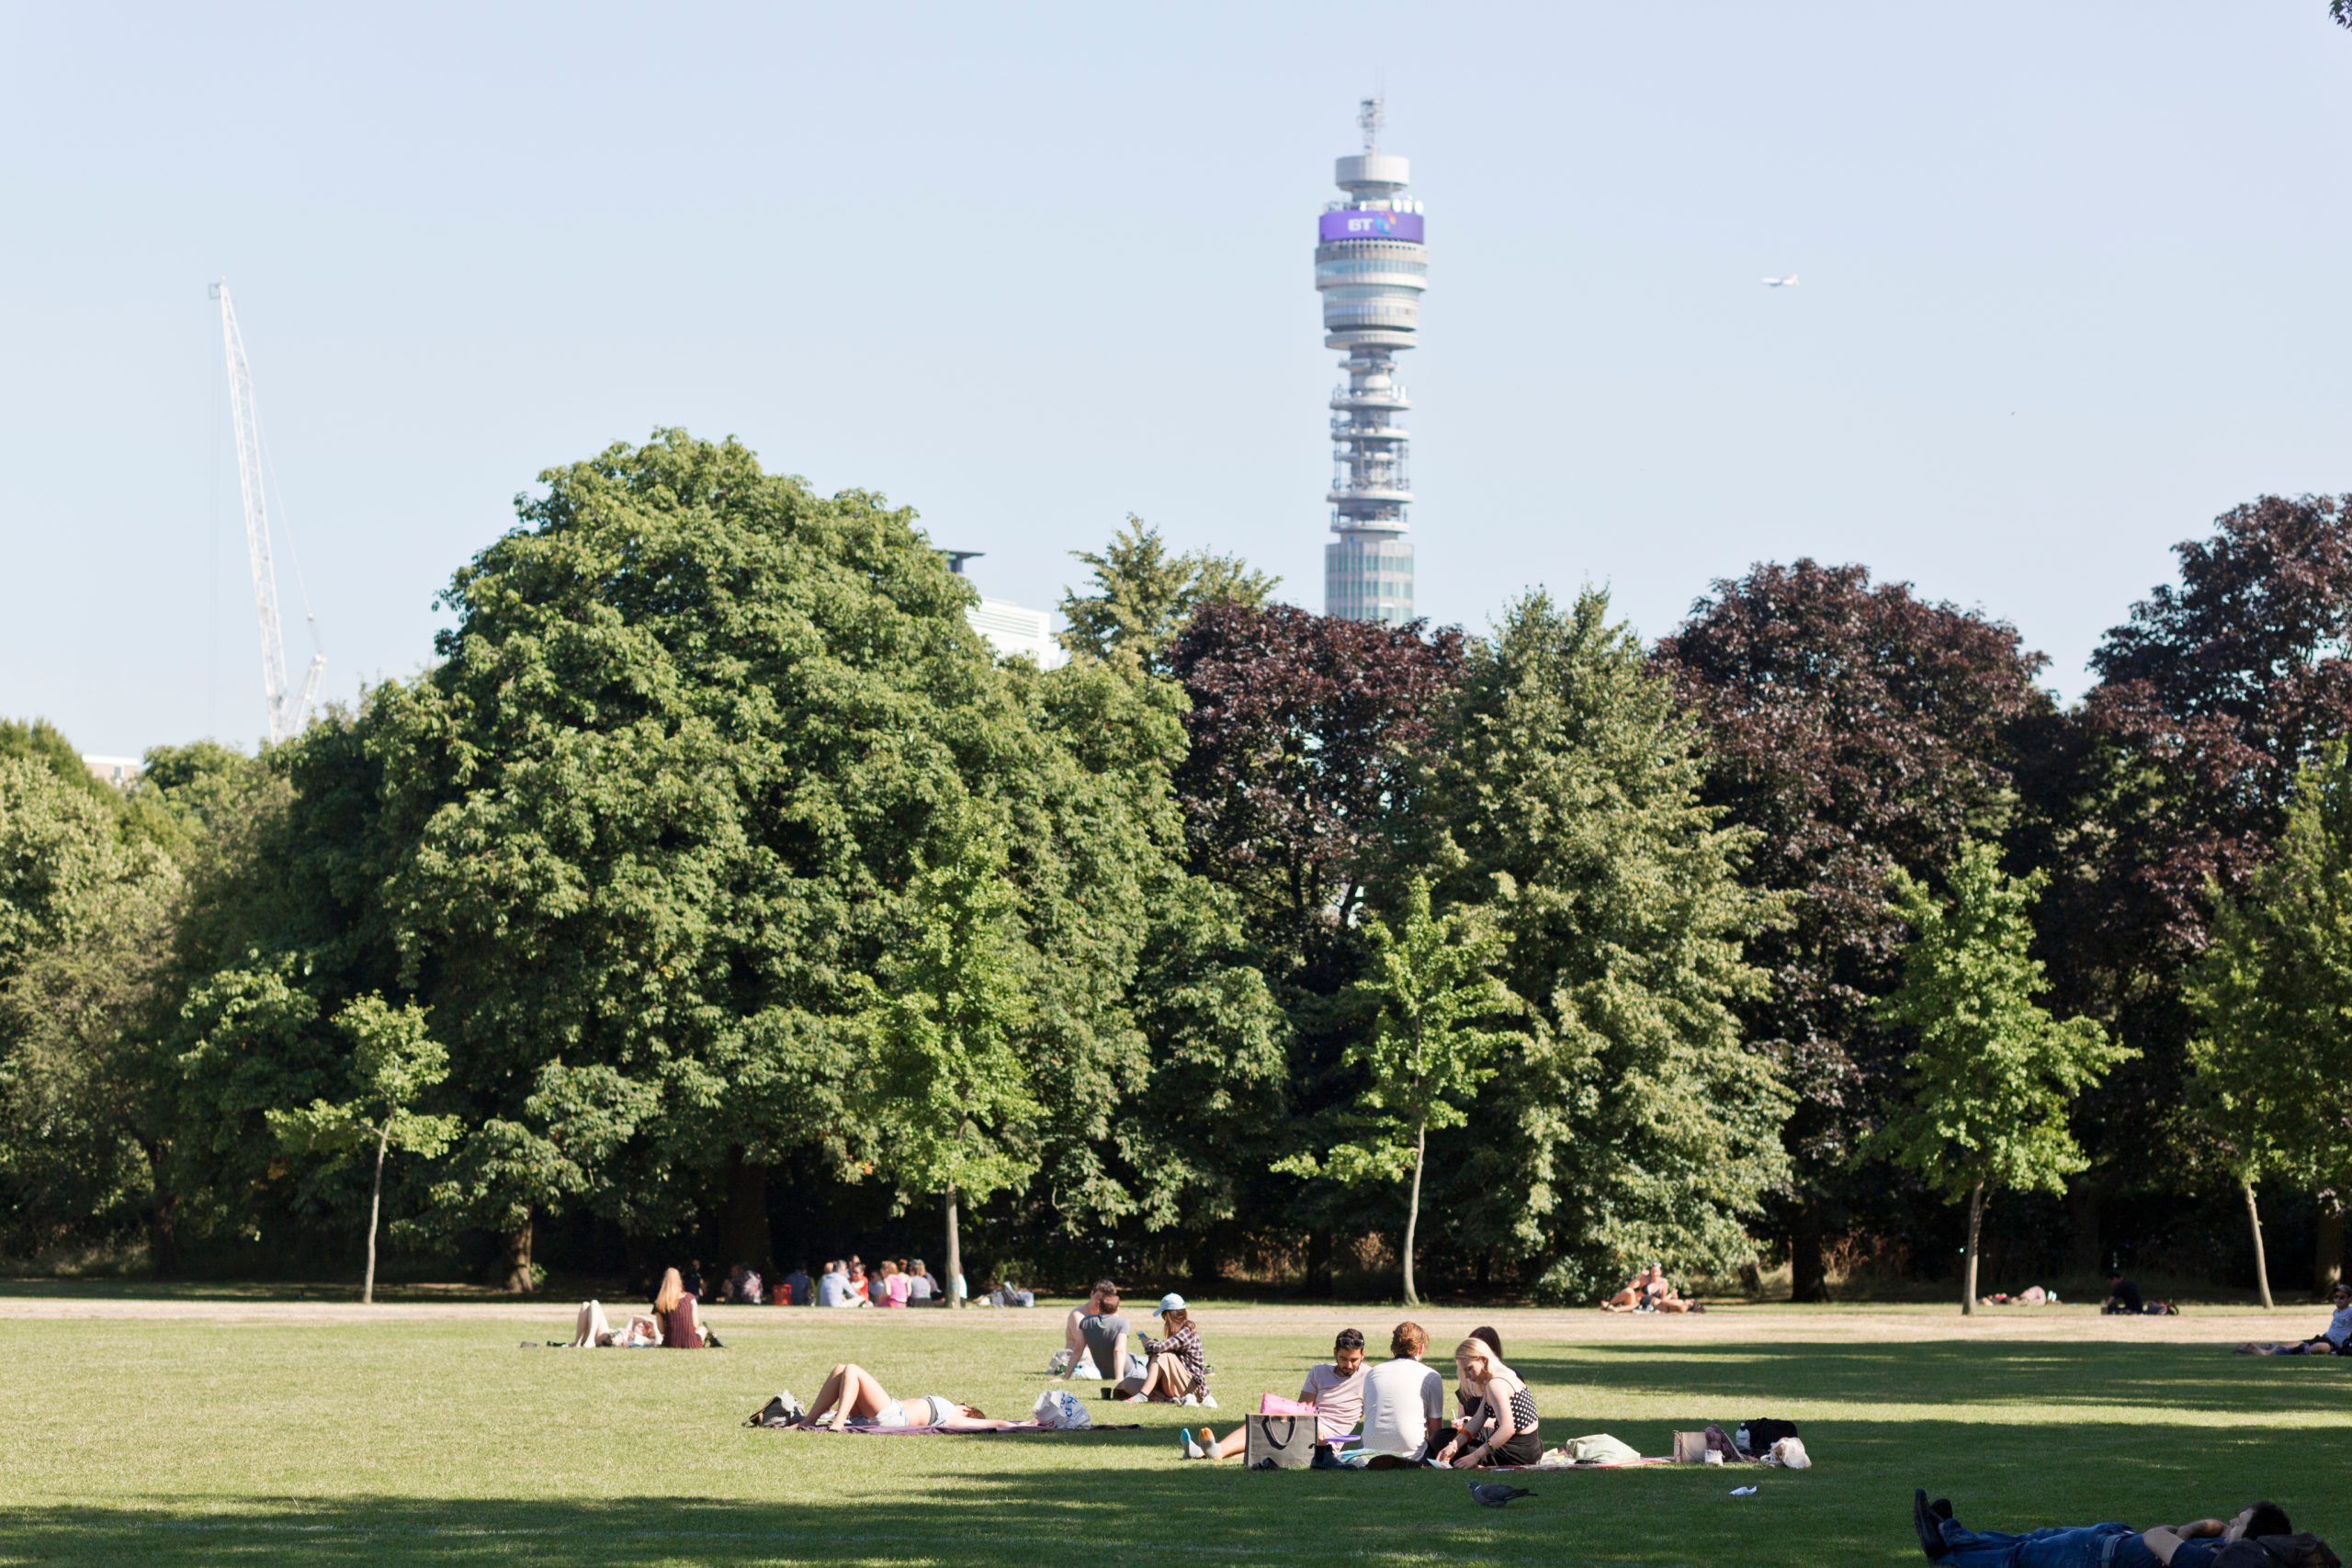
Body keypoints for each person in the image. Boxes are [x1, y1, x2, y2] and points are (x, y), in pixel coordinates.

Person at [1914, 1491, 2294, 1567]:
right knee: (2030, 1539)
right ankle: (1950, 1536)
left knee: (2021, 1556)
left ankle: (1946, 1542)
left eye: (2239, 1523)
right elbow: (2184, 1530)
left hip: (2095, 1558)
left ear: (2251, 1539)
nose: (2230, 1522)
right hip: (2109, 1539)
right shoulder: (2222, 1548)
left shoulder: (2210, 1563)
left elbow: (2157, 1537)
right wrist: (2193, 1530)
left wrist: (2186, 1532)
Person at [1187, 1327, 1366, 1461]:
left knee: (1272, 1442)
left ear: (1363, 1356)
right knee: (1267, 1423)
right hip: (1308, 1427)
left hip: (1326, 1442)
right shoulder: (1319, 1372)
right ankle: (1210, 1452)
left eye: (1353, 1360)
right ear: (1335, 1353)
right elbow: (1302, 1409)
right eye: (1343, 1359)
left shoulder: (1369, 1377)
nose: (1348, 1365)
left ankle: (1211, 1452)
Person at [797, 1363, 1018, 1431]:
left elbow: (995, 1423)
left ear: (968, 1410)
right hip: (882, 1413)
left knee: (852, 1369)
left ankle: (837, 1422)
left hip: (893, 1416)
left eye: (965, 1404)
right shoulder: (950, 1412)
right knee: (841, 1369)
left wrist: (1022, 1425)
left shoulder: (956, 1417)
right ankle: (808, 1421)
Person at [1348, 1320, 1445, 1468]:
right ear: (1421, 1347)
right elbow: (1435, 1430)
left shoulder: (1373, 1373)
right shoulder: (1431, 1376)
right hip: (1413, 1452)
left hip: (1370, 1447)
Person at [1441, 1337, 1540, 1468]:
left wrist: (1475, 1456)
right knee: (1450, 1441)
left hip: (1518, 1453)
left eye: (1469, 1368)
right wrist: (1454, 1445)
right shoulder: (1499, 1377)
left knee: (1447, 1443)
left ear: (1483, 1360)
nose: (1467, 1376)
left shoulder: (1495, 1384)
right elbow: (1478, 1418)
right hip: (1530, 1448)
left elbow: (1507, 1428)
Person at [1430, 1325, 1505, 1461]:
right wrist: (1461, 1423)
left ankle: (1472, 1456)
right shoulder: (1467, 1379)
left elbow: (1508, 1425)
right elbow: (1463, 1415)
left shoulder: (1499, 1381)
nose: (1467, 1374)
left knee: (1463, 1444)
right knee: (1439, 1437)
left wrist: (1471, 1423)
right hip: (1471, 1433)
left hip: (1495, 1436)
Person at [1121, 1293, 1211, 1404]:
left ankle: (1143, 1395)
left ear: (1168, 1314)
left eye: (1163, 1315)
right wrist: (1151, 1344)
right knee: (1127, 1383)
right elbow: (1164, 1346)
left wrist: (1147, 1343)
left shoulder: (1187, 1331)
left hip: (1192, 1388)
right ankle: (1169, 1399)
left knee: (1162, 1355)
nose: (1164, 1319)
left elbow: (1159, 1348)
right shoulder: (1180, 1332)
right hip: (1179, 1382)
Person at [2238, 1281, 2352, 1355]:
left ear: (2349, 1299)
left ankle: (2268, 1352)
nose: (2338, 1299)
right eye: (2336, 1297)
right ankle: (2270, 1349)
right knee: (2298, 1342)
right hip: (2325, 1338)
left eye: (2342, 1297)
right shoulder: (2336, 1311)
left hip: (2335, 1345)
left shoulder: (2350, 1311)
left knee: (2323, 1348)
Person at [1059, 1280, 1123, 1377]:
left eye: (1103, 1299)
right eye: (1097, 1297)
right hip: (1079, 1361)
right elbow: (1084, 1344)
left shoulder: (1111, 1315)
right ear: (1091, 1294)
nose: (1099, 1302)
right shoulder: (1078, 1315)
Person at [651, 1266, 706, 1348]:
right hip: (692, 1343)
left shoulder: (659, 1302)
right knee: (703, 1329)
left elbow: (661, 1330)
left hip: (670, 1343)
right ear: (679, 1281)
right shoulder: (690, 1298)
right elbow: (695, 1325)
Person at [570, 1299, 661, 1347]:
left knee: (595, 1303)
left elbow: (658, 1342)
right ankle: (577, 1342)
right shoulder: (628, 1329)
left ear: (646, 1335)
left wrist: (654, 1326)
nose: (642, 1326)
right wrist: (649, 1320)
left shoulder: (642, 1340)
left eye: (645, 1329)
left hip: (605, 1338)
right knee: (585, 1304)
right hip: (600, 1335)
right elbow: (633, 1318)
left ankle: (591, 1340)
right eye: (643, 1324)